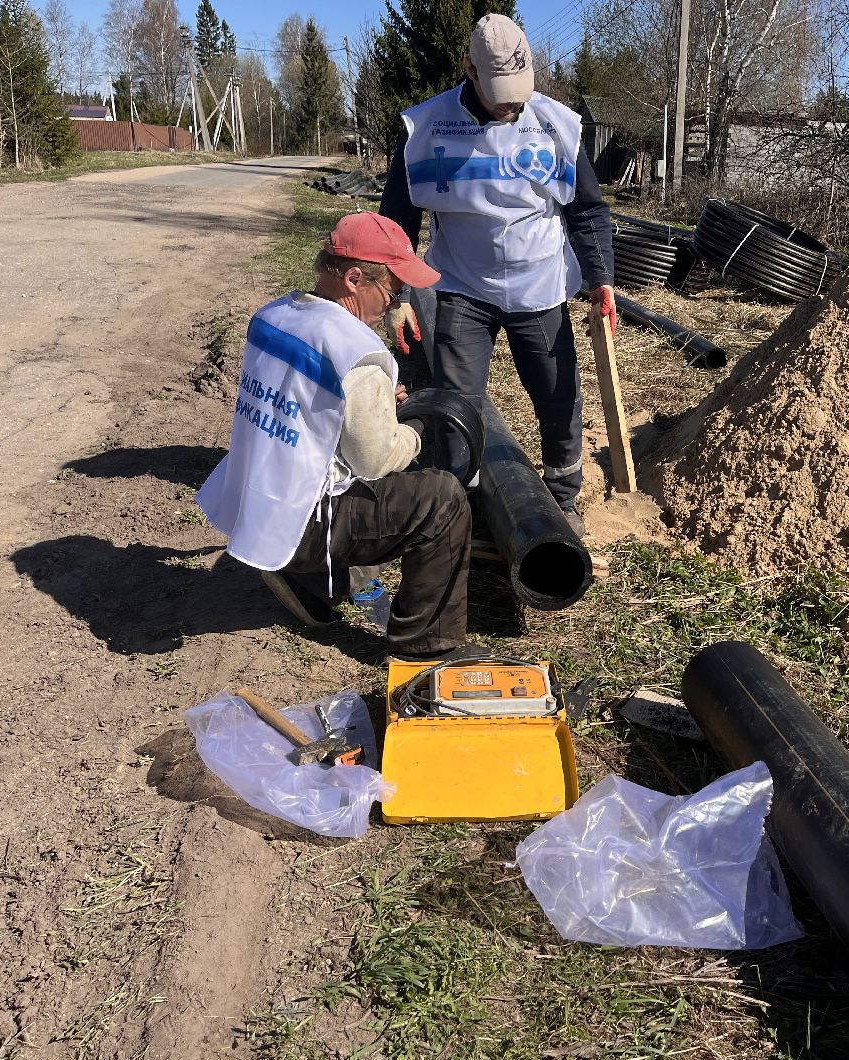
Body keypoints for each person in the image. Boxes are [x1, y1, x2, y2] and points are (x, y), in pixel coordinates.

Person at [379, 12, 617, 537]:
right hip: (462, 286)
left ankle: (563, 494)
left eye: (520, 89)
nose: (512, 103)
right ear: (468, 70)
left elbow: (588, 209)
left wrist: (601, 277)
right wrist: (395, 293)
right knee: (456, 402)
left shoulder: (556, 124)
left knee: (557, 395)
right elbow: (397, 217)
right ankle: (457, 504)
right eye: (499, 91)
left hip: (540, 285)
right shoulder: (425, 130)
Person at [196, 212, 473, 663]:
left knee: (370, 481)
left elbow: (308, 409)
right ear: (354, 277)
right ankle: (426, 646)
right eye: (393, 290)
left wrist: (373, 403)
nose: (396, 302)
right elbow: (375, 460)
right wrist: (414, 429)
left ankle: (309, 579)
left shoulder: (274, 316)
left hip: (257, 502)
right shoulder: (356, 351)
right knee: (440, 498)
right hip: (309, 522)